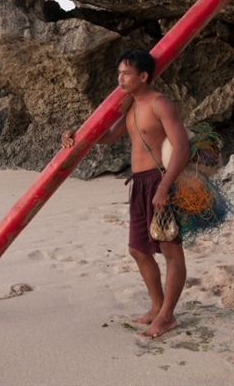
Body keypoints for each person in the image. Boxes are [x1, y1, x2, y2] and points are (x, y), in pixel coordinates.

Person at [61, 49, 191, 340]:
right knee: (138, 249)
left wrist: (164, 186)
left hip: (159, 180)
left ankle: (167, 317)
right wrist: (76, 133)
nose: (119, 78)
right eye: (118, 72)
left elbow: (182, 147)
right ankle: (157, 308)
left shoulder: (161, 104)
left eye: (126, 73)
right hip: (138, 183)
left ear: (143, 76)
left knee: (170, 250)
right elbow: (107, 136)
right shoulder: (131, 106)